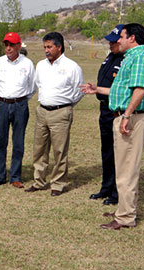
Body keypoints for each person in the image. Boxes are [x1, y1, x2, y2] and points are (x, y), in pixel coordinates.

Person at [80, 23, 144, 230]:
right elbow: (121, 90)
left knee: (127, 171)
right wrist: (97, 89)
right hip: (125, 116)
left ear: (132, 38)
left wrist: (126, 115)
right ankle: (124, 210)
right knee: (123, 168)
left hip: (132, 118)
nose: (118, 41)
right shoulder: (131, 57)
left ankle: (125, 218)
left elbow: (140, 89)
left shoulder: (140, 57)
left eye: (121, 37)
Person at [25, 32, 84, 196]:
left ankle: (58, 184)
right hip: (42, 111)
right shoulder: (41, 65)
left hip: (61, 112)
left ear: (59, 46)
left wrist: (67, 105)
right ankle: (39, 181)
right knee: (39, 149)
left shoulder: (72, 67)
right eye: (44, 47)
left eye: (49, 47)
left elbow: (79, 91)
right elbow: (37, 85)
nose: (46, 50)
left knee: (59, 150)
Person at [0, 32, 36, 189]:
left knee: (18, 141)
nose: (8, 48)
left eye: (12, 45)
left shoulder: (27, 64)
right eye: (6, 45)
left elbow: (32, 86)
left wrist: (21, 100)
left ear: (19, 46)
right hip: (1, 104)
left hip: (20, 105)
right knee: (0, 141)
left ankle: (15, 176)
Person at [88, 25, 125, 206]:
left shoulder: (126, 59)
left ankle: (117, 193)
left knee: (119, 153)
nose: (110, 44)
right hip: (104, 110)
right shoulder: (110, 56)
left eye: (113, 41)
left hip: (116, 110)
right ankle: (106, 187)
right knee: (107, 151)